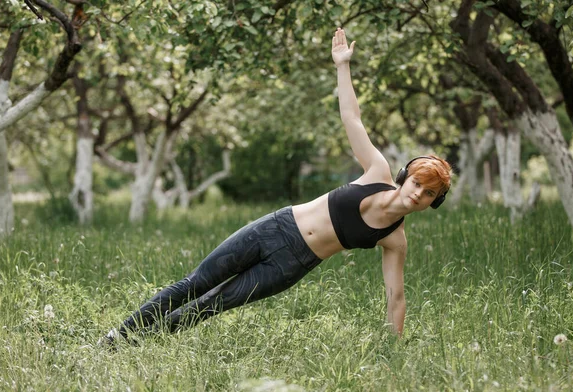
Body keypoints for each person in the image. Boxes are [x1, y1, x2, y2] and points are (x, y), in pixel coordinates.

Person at [100, 28, 452, 346]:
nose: (418, 194)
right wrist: (342, 65)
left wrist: (393, 347)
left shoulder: (395, 239)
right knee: (196, 283)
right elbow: (352, 118)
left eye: (429, 194)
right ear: (407, 175)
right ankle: (121, 333)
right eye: (419, 183)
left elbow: (396, 297)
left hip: (291, 264)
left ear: (433, 202)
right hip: (274, 228)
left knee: (213, 304)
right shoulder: (377, 171)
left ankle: (133, 344)